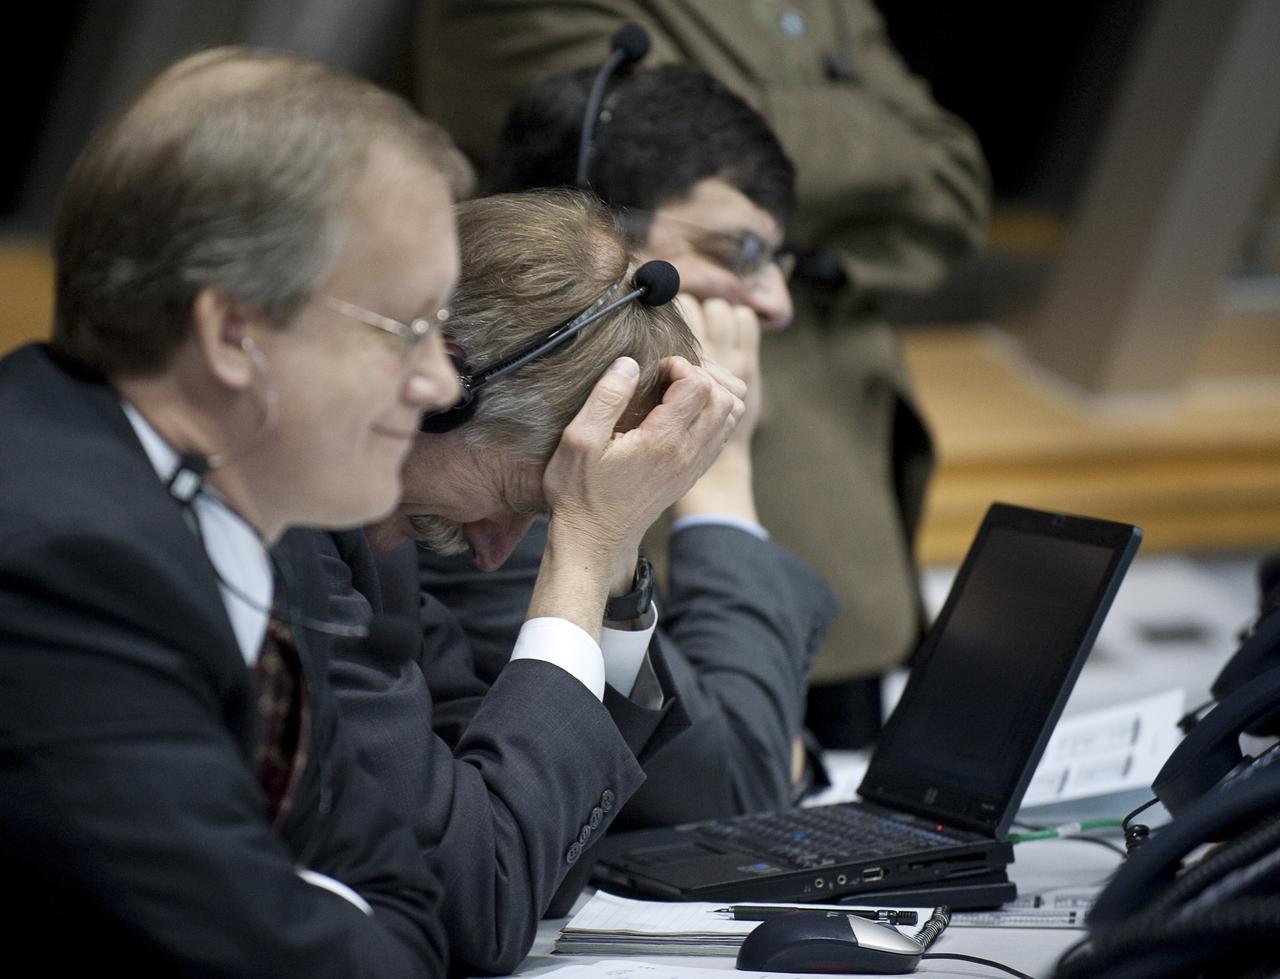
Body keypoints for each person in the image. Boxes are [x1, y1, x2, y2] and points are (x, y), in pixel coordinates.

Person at [0, 46, 470, 974]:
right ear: (231, 333)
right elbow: (276, 955)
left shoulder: (247, 511)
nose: (442, 380)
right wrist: (314, 900)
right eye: (407, 329)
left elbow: (410, 898)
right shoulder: (61, 559)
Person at [416, 0, 992, 749]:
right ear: (595, 235)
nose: (774, 302)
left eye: (778, 261)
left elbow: (953, 174)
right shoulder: (494, 487)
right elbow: (719, 782)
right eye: (740, 253)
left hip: (818, 549)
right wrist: (718, 484)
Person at [309, 188, 833, 975]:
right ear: (441, 394)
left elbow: (533, 856)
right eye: (523, 500)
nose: (494, 554)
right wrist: (582, 544)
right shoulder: (300, 543)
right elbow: (479, 899)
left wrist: (613, 556)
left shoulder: (381, 544)